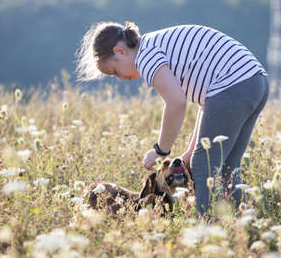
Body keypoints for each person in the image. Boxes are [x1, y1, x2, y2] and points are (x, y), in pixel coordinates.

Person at [76, 21, 269, 215]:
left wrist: (161, 151)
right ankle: (242, 223)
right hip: (255, 80)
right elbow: (208, 107)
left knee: (203, 165)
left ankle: (206, 230)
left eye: (115, 71)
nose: (120, 78)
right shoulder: (154, 45)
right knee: (227, 167)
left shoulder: (145, 57)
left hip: (233, 85)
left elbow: (176, 103)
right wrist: (188, 154)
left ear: (120, 51)